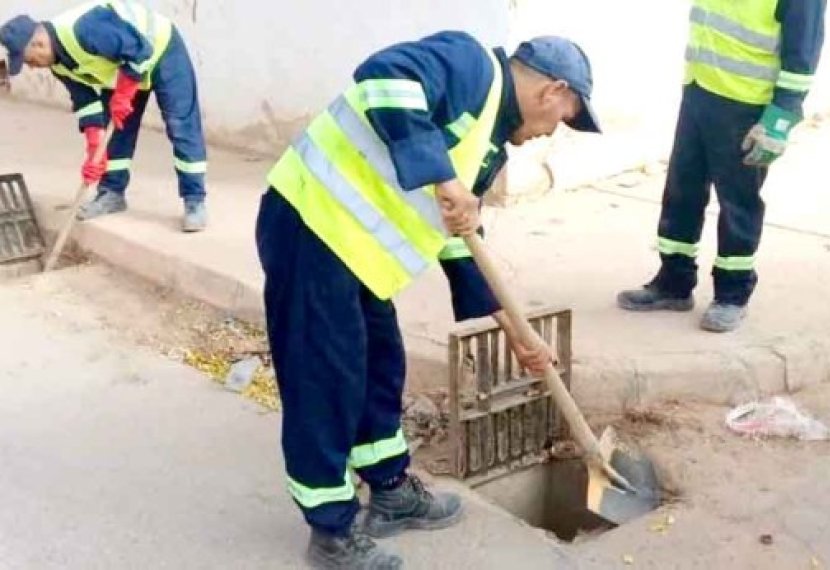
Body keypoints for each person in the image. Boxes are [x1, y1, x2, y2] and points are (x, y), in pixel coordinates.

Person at [255, 31, 601, 569]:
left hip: (360, 256)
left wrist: (512, 327)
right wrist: (441, 176)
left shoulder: (486, 143)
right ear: (552, 90)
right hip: (312, 227)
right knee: (325, 383)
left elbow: (459, 242)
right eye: (563, 117)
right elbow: (383, 77)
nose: (552, 131)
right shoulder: (469, 66)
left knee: (378, 367)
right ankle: (331, 533)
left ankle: (390, 490)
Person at [618, 0, 826, 332]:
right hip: (699, 88)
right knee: (681, 190)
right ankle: (674, 280)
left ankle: (732, 293)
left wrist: (782, 116)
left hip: (746, 104)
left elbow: (803, 50)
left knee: (738, 203)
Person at [0, 1, 208, 232]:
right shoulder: (57, 64)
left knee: (180, 125)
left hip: (161, 50)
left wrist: (123, 94)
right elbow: (86, 103)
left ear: (38, 43)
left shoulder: (85, 29)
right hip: (122, 66)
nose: (31, 67)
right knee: (116, 130)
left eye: (28, 60)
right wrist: (94, 148)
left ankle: (194, 200)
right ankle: (112, 192)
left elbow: (140, 51)